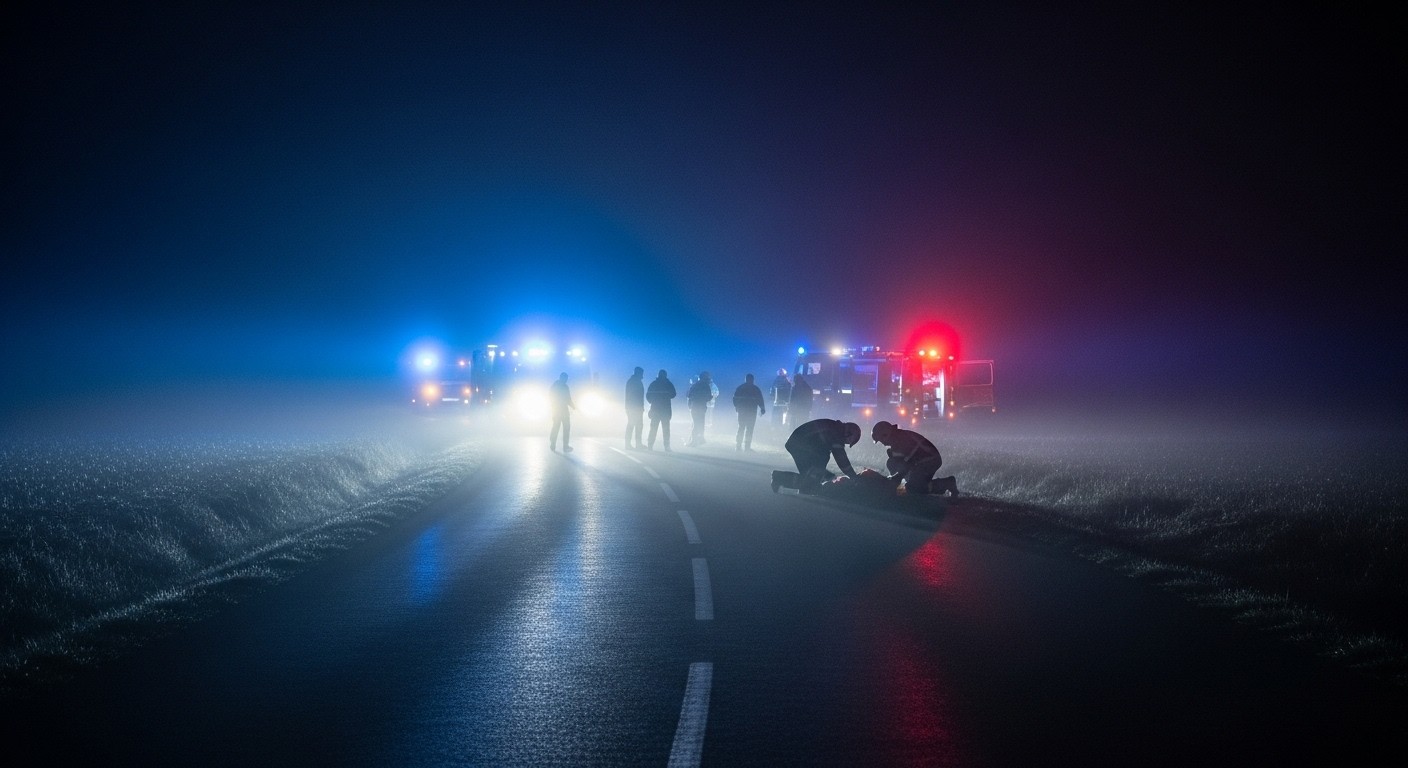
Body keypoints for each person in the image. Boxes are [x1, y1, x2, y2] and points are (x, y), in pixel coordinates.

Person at [774, 418, 862, 494]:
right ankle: (807, 487)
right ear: (849, 433)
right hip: (801, 444)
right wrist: (853, 476)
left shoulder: (834, 428)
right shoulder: (836, 432)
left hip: (798, 443)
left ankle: (779, 478)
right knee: (822, 458)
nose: (844, 443)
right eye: (847, 441)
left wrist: (826, 474)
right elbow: (841, 458)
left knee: (810, 475)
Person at [871, 420, 959, 496]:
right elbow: (899, 464)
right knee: (892, 463)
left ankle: (947, 483)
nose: (882, 443)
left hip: (930, 460)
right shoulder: (896, 440)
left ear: (886, 435)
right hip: (919, 462)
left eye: (881, 440)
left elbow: (907, 464)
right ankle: (918, 486)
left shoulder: (901, 440)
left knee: (914, 488)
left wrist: (895, 481)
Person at [732, 373, 765, 451]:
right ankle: (747, 447)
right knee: (750, 429)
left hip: (742, 411)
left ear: (745, 379)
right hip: (752, 411)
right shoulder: (756, 389)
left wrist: (736, 407)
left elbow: (734, 399)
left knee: (741, 427)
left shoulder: (740, 388)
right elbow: (760, 399)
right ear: (753, 380)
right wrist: (762, 408)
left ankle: (738, 446)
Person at [646, 369, 676, 451]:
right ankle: (667, 446)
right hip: (665, 410)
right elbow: (674, 394)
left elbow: (648, 396)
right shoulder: (668, 384)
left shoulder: (654, 384)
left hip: (655, 409)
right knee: (666, 429)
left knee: (653, 428)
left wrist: (652, 401)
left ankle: (650, 445)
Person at [549, 372, 576, 453]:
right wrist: (572, 406)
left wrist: (573, 406)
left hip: (561, 410)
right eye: (565, 378)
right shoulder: (558, 386)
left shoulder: (560, 386)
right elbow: (567, 398)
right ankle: (554, 443)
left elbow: (568, 398)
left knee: (564, 428)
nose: (566, 380)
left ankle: (563, 445)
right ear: (561, 378)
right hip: (558, 410)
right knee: (558, 427)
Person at [686, 371, 713, 447]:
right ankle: (700, 439)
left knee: (696, 424)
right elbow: (708, 397)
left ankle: (694, 441)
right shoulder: (706, 386)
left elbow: (689, 395)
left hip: (695, 406)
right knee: (700, 423)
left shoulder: (695, 385)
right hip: (702, 407)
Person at [624, 366, 645, 449]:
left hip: (633, 407)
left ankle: (634, 444)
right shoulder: (635, 382)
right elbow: (636, 396)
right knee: (633, 425)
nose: (642, 375)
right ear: (638, 373)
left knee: (635, 425)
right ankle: (632, 444)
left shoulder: (632, 381)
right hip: (634, 407)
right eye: (641, 373)